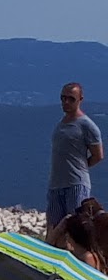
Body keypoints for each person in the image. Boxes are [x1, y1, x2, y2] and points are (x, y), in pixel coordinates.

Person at [48, 82, 104, 231]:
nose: (66, 102)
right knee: (54, 228)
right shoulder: (61, 124)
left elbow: (98, 155)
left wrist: (80, 167)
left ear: (80, 100)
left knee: (75, 228)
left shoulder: (87, 125)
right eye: (63, 98)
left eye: (71, 99)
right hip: (56, 184)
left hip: (76, 184)